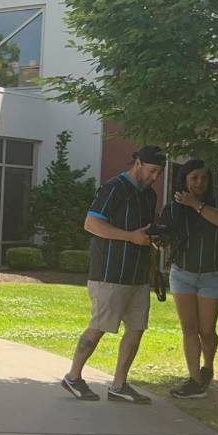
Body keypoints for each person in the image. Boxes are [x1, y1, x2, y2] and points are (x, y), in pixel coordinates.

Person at [61, 146, 164, 404]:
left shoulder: (149, 195)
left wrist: (153, 262)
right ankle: (73, 377)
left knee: (136, 329)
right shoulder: (113, 188)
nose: (155, 177)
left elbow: (144, 233)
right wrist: (130, 237)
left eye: (159, 173)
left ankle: (119, 385)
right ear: (138, 163)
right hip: (109, 273)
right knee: (99, 327)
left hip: (138, 275)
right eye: (152, 171)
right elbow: (91, 224)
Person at [162, 160, 218, 399]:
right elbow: (164, 235)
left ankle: (207, 367)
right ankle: (194, 380)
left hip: (212, 275)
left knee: (207, 331)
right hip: (182, 274)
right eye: (194, 178)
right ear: (184, 180)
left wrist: (195, 204)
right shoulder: (173, 208)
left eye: (204, 178)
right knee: (189, 329)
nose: (199, 182)